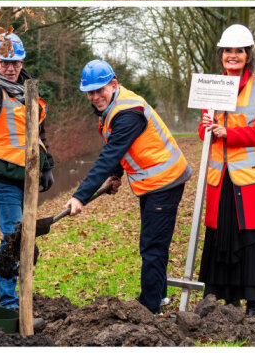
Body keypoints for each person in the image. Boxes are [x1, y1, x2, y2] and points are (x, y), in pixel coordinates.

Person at [64, 59, 192, 315]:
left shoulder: (127, 113)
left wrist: (80, 196)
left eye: (100, 90)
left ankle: (150, 306)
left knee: (152, 245)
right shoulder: (114, 107)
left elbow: (110, 154)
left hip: (165, 181)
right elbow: (117, 147)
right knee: (154, 243)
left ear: (114, 84)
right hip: (153, 182)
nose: (96, 96)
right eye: (90, 92)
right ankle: (159, 295)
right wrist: (116, 175)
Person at [197, 24, 255, 317]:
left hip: (252, 177)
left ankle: (253, 303)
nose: (233, 56)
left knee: (251, 239)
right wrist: (207, 129)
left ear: (248, 55)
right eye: (228, 51)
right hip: (221, 179)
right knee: (223, 236)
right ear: (221, 54)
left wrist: (227, 133)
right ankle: (228, 299)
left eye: (239, 51)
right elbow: (203, 128)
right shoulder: (212, 85)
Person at [0, 33, 56, 309]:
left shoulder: (30, 88)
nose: (11, 67)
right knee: (16, 238)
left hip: (27, 174)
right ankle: (9, 304)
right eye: (5, 62)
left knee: (12, 235)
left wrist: (47, 166)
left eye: (16, 62)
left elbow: (37, 132)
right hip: (2, 173)